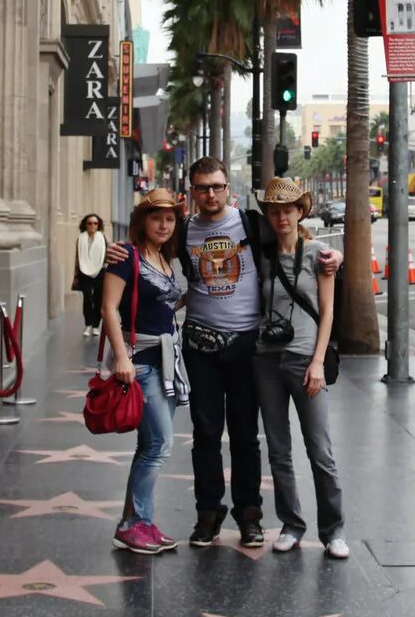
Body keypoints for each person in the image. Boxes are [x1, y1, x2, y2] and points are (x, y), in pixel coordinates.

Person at [114, 156, 339, 548]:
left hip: (247, 345)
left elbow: (296, 240)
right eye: (202, 188)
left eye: (217, 186)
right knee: (205, 433)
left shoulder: (251, 224)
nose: (211, 194)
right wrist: (111, 255)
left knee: (245, 435)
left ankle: (249, 515)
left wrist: (335, 257)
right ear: (193, 192)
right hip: (199, 344)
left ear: (227, 190)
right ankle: (208, 515)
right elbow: (147, 253)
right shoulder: (183, 231)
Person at [252, 178, 347, 559]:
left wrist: (319, 362)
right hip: (265, 359)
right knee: (278, 450)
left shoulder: (320, 254)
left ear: (300, 212)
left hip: (306, 359)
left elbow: (327, 313)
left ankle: (333, 530)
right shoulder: (262, 254)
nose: (280, 217)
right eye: (273, 211)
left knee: (320, 450)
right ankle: (291, 524)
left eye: (287, 210)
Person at [100, 189, 188, 556]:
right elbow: (109, 308)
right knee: (159, 445)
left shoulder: (165, 259)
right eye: (156, 218)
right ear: (142, 221)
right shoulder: (126, 257)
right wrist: (121, 358)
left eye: (170, 219)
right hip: (142, 360)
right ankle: (134, 524)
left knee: (149, 445)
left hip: (167, 360)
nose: (164, 225)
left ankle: (139, 523)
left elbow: (165, 303)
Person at [74, 213, 109, 335]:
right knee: (87, 298)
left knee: (98, 299)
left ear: (98, 225)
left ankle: (95, 326)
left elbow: (108, 254)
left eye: (95, 223)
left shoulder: (103, 238)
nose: (92, 225)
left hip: (99, 272)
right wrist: (77, 275)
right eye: (89, 223)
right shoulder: (81, 238)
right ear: (85, 224)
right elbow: (77, 258)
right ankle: (88, 325)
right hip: (84, 272)